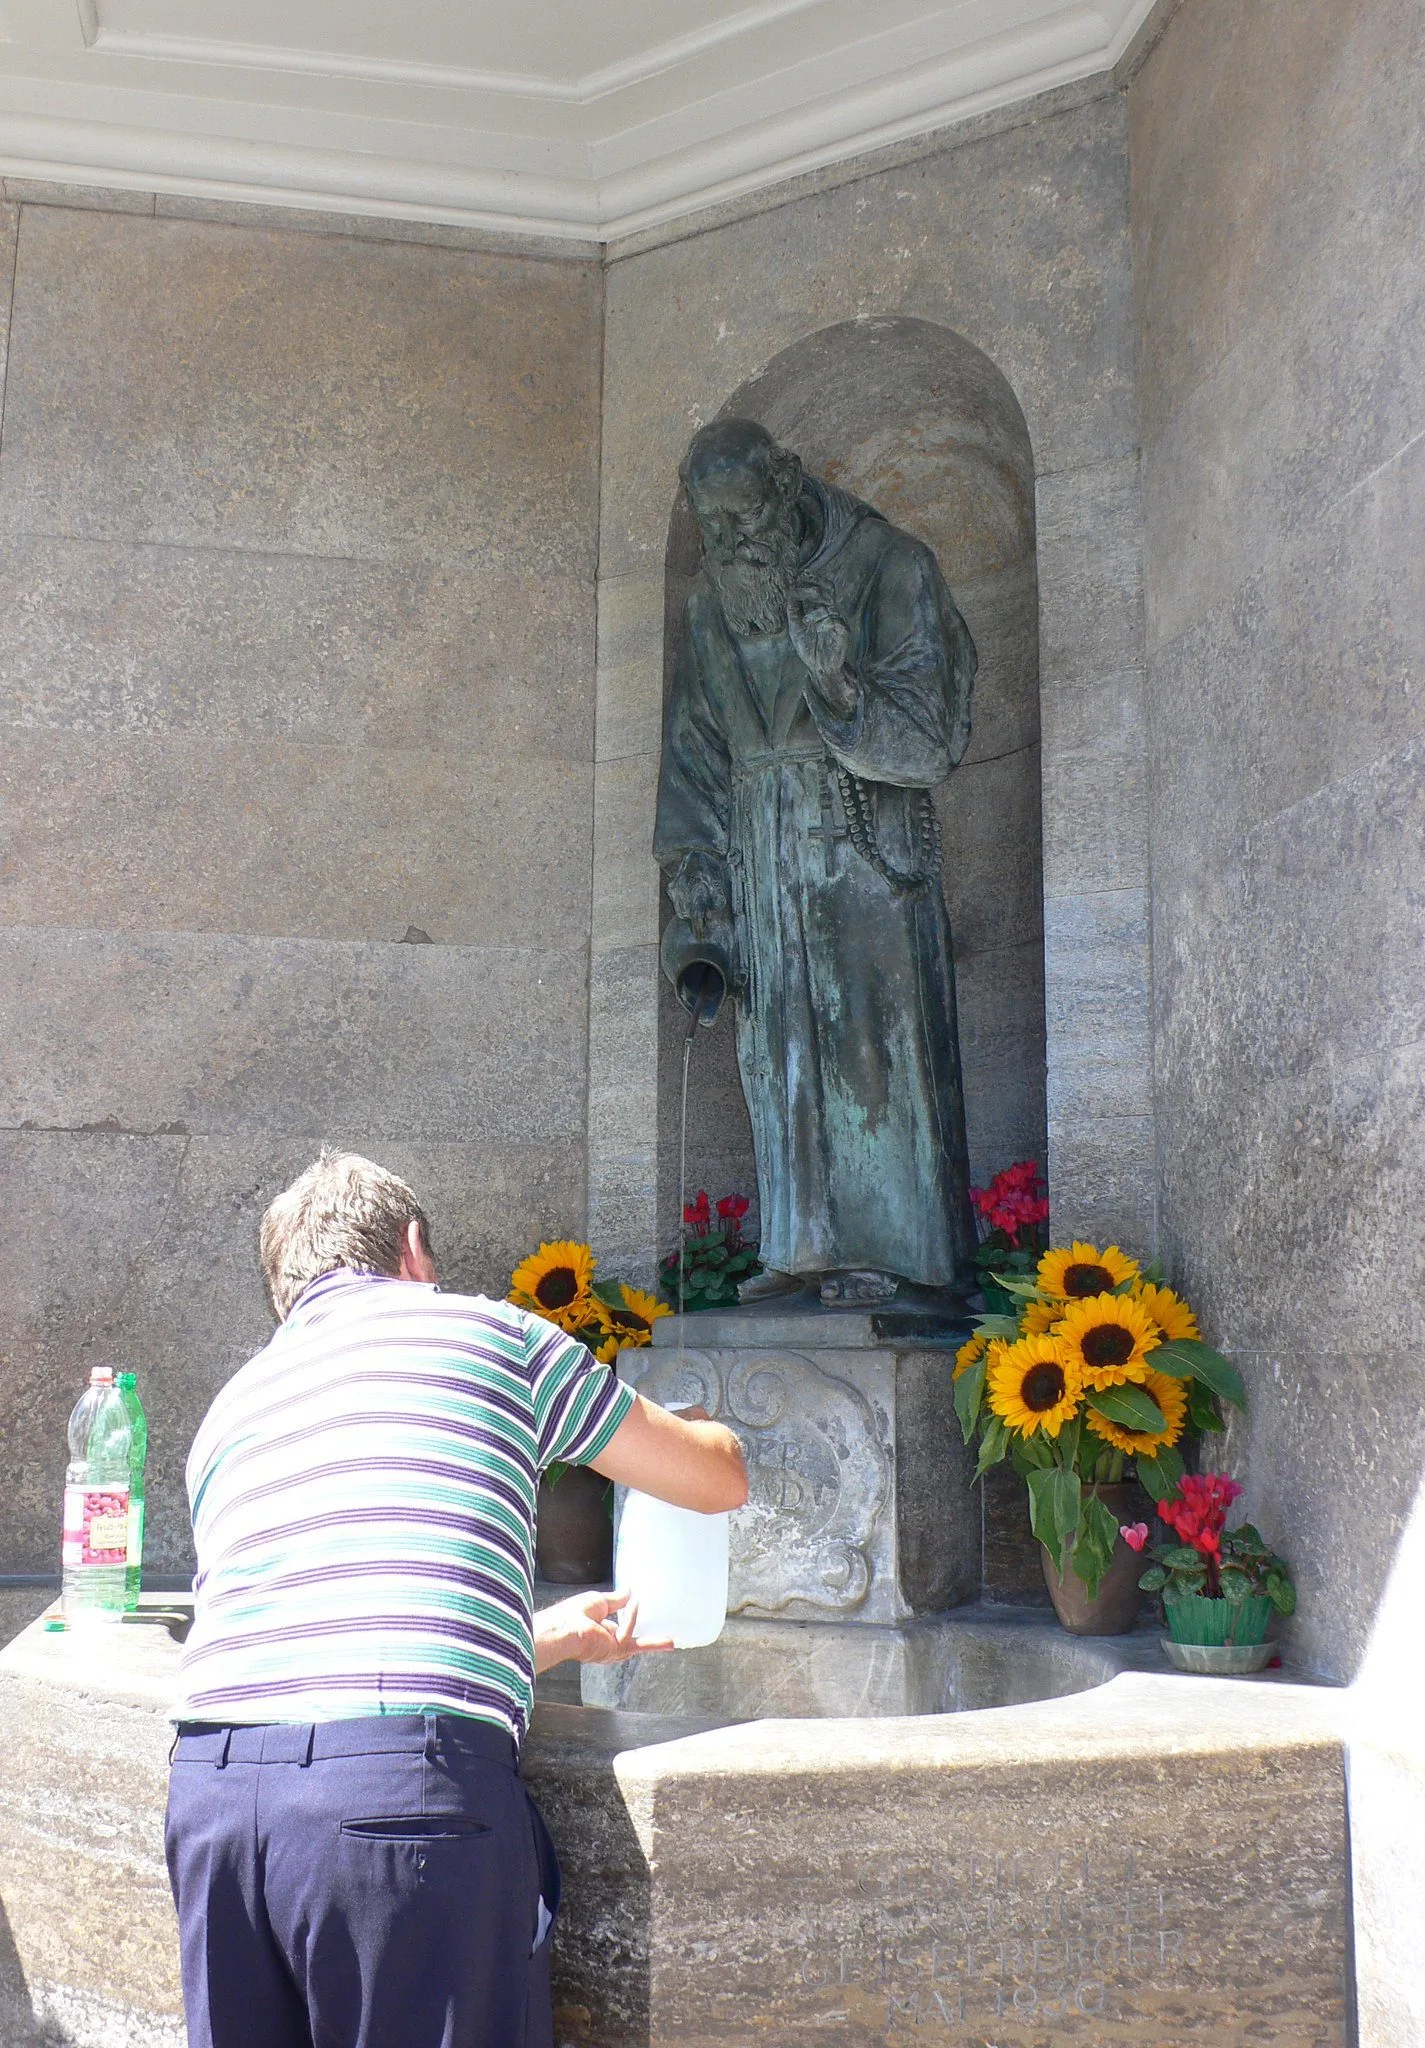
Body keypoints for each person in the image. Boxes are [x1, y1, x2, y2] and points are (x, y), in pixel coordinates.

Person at [164, 1151, 747, 2048]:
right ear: (413, 1252)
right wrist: (727, 1438)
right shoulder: (493, 1338)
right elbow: (710, 1483)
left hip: (213, 1805)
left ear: (288, 1292)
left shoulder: (226, 1413)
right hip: (398, 1812)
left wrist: (539, 1643)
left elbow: (325, 1629)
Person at [654, 417, 977, 1307]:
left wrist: (839, 686)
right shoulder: (708, 603)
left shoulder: (891, 568)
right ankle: (799, 1249)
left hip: (865, 858)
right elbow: (692, 749)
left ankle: (899, 1253)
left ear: (787, 483)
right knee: (778, 1055)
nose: (730, 544)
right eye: (712, 528)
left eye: (743, 520)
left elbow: (930, 742)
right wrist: (696, 871)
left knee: (869, 1047)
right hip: (760, 858)